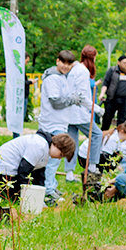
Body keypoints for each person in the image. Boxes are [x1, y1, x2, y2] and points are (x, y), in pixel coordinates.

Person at [0, 132, 75, 202]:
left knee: (18, 197)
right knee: (13, 198)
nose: (59, 158)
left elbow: (39, 177)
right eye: (61, 155)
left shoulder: (45, 149)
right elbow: (23, 172)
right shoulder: (39, 145)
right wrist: (26, 194)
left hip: (9, 170)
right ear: (57, 145)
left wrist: (39, 198)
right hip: (1, 169)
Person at [38, 50, 81, 202]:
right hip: (51, 123)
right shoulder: (52, 79)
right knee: (53, 158)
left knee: (55, 159)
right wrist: (72, 100)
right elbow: (56, 102)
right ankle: (48, 189)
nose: (66, 66)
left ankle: (51, 185)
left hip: (59, 122)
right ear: (57, 61)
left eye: (69, 64)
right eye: (63, 62)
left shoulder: (62, 77)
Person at [63, 46, 103, 182]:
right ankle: (92, 167)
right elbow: (81, 96)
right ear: (92, 57)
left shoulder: (74, 69)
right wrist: (96, 109)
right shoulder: (83, 71)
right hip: (79, 112)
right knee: (97, 135)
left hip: (70, 112)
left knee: (71, 142)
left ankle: (69, 174)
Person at [100, 55, 126, 129]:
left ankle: (120, 137)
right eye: (124, 63)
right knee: (107, 119)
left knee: (123, 121)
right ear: (118, 63)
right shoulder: (112, 71)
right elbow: (105, 83)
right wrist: (102, 94)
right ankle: (102, 136)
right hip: (112, 99)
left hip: (125, 100)